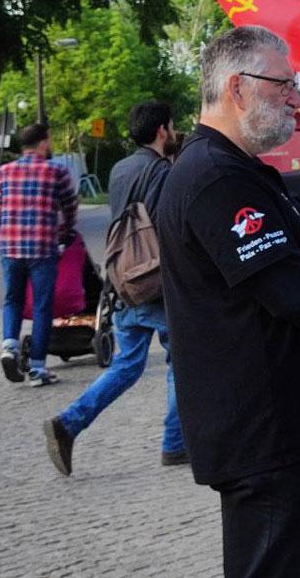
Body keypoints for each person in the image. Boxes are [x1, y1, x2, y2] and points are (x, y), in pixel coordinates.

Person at [156, 26, 300, 578]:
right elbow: (288, 291)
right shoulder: (215, 177)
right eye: (282, 84)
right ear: (236, 87)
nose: (294, 98)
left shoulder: (237, 169)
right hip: (259, 428)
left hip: (274, 424)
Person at [44, 102, 186, 476]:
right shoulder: (161, 171)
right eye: (171, 127)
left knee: (127, 364)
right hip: (155, 282)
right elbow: (164, 228)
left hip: (123, 279)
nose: (173, 133)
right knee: (181, 361)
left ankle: (69, 422)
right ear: (161, 131)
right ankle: (174, 444)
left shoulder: (120, 168)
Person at [0, 122, 78, 387]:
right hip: (42, 247)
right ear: (43, 142)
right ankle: (38, 368)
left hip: (10, 247)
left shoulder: (4, 172)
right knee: (42, 305)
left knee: (12, 299)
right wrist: (65, 230)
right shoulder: (56, 171)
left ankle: (9, 346)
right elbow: (70, 206)